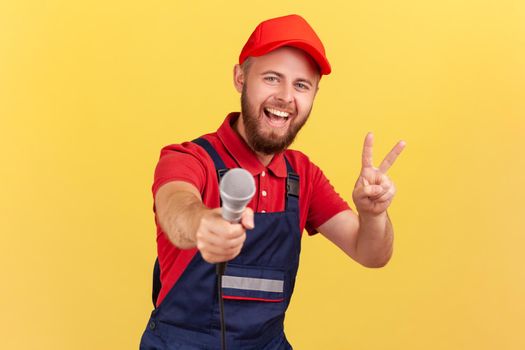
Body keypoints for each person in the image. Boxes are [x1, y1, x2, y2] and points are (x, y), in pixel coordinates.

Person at [140, 14, 405, 350]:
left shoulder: (303, 175)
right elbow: (176, 206)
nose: (285, 96)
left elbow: (371, 253)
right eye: (271, 78)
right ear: (240, 77)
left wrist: (374, 215)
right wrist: (202, 224)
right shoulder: (190, 158)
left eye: (301, 85)